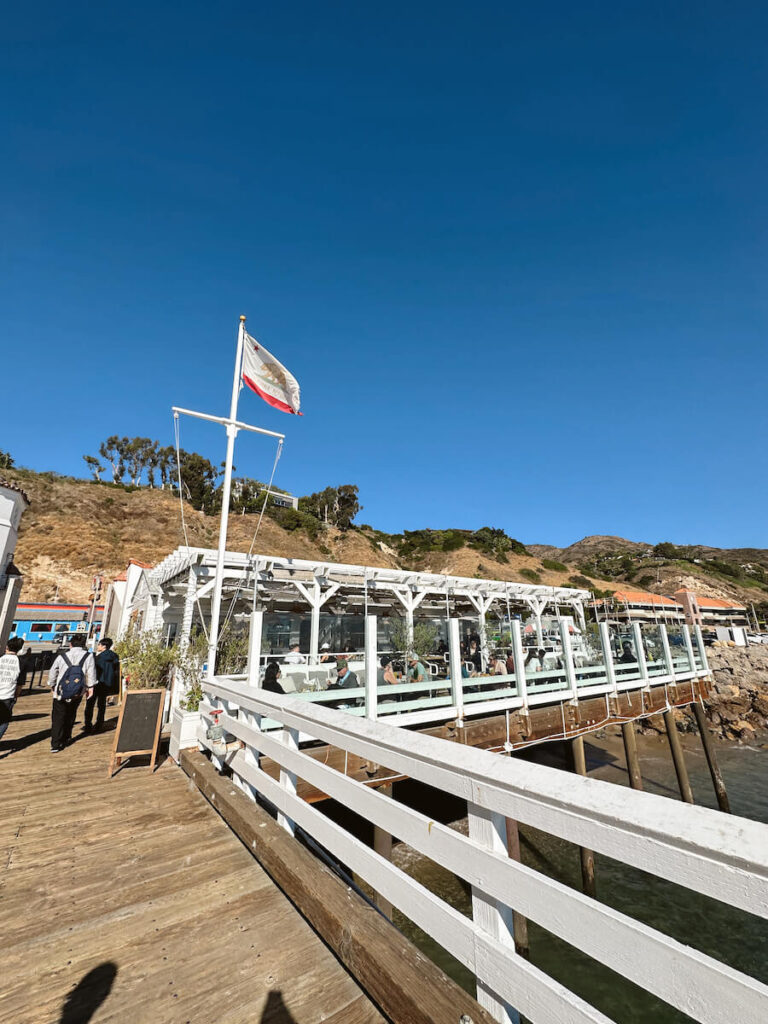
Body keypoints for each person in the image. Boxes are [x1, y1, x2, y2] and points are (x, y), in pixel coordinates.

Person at [47, 634, 96, 752]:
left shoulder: (63, 656)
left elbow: (53, 672)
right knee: (71, 713)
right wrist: (90, 687)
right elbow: (91, 673)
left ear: (70, 644)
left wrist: (52, 684)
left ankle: (55, 743)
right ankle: (66, 737)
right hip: (77, 691)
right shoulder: (88, 656)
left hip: (61, 691)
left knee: (58, 716)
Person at [84, 637, 120, 733]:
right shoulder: (114, 657)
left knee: (90, 704)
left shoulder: (97, 658)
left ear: (104, 646)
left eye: (99, 644)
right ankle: (99, 723)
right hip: (107, 684)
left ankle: (88, 724)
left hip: (96, 683)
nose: (98, 646)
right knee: (101, 705)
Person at [0, 636, 25, 747]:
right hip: (8, 695)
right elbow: (20, 684)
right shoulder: (21, 662)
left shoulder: (1, 659)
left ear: (7, 647)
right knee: (4, 722)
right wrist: (16, 696)